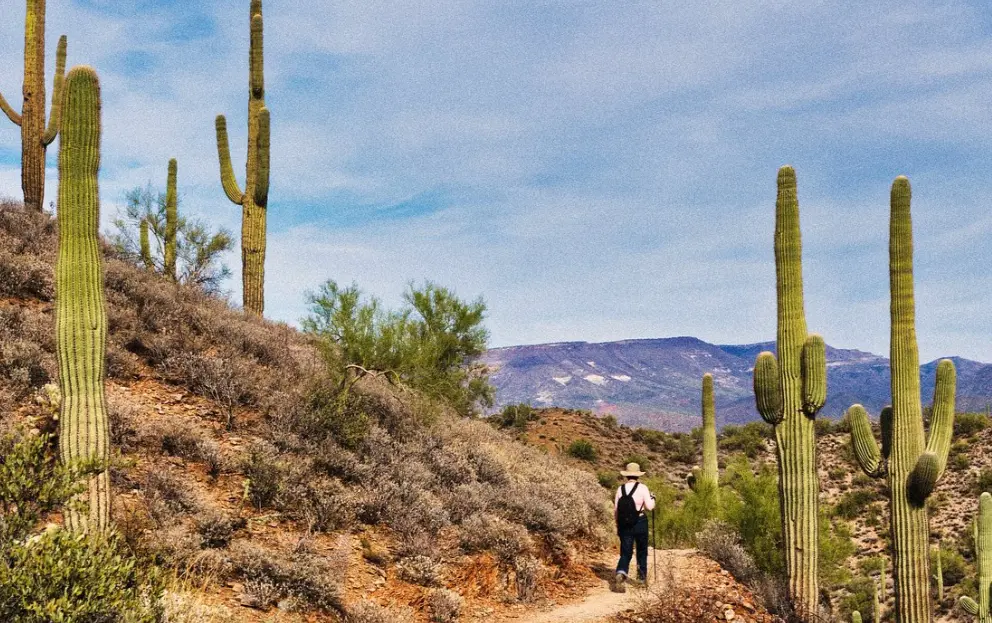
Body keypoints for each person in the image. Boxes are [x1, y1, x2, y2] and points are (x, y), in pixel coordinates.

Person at [614, 462, 655, 589]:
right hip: (640, 521)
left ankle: (621, 572)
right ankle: (641, 579)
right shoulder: (643, 488)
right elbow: (649, 507)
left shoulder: (620, 489)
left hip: (624, 523)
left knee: (626, 551)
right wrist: (653, 498)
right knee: (641, 550)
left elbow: (616, 510)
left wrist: (618, 524)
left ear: (626, 475)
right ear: (638, 475)